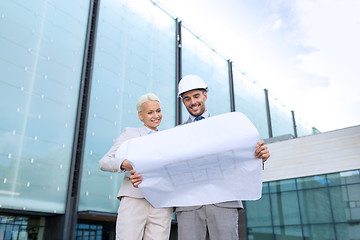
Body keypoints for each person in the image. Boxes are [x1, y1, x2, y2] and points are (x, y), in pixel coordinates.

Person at [130, 75, 270, 240]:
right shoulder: (176, 135)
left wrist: (258, 157)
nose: (193, 102)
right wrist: (143, 177)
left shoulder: (228, 127)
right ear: (183, 102)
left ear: (205, 96)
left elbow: (239, 158)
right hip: (189, 206)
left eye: (196, 96)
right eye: (187, 98)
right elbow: (165, 167)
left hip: (223, 202)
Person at [99, 93, 173, 240]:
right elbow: (104, 162)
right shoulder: (130, 134)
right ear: (141, 116)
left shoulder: (168, 139)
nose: (155, 115)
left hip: (161, 205)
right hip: (134, 199)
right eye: (150, 112)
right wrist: (124, 164)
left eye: (158, 111)